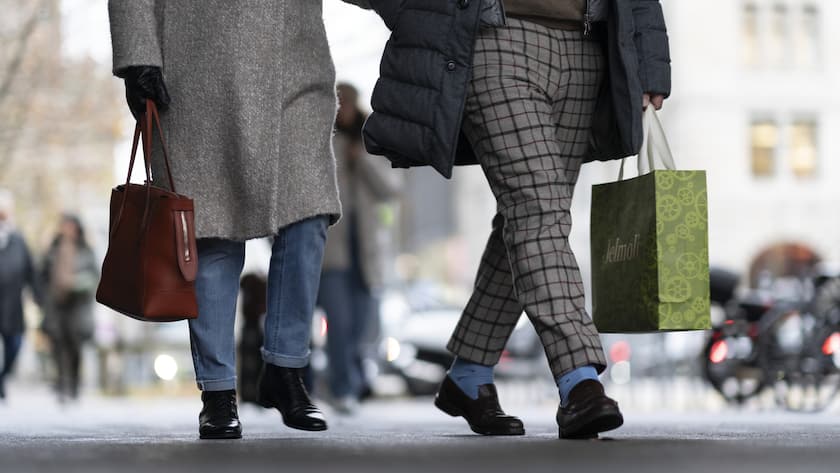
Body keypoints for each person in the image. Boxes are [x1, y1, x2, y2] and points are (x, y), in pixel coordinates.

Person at [355, 0, 670, 438]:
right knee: (539, 209)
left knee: (532, 215)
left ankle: (469, 374)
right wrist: (422, 12)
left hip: (587, 46)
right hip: (494, 38)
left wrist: (651, 66)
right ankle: (579, 377)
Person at [109, 1, 365, 439]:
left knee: (310, 213)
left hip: (297, 64)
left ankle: (286, 369)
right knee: (211, 232)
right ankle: (218, 392)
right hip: (195, 65)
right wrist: (138, 55)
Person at [318, 83, 399, 413]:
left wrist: (362, 159)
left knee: (364, 323)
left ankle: (346, 379)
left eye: (348, 101)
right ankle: (343, 387)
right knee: (339, 321)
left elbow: (390, 190)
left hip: (366, 251)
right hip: (332, 251)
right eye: (338, 102)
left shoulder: (373, 140)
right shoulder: (320, 139)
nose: (343, 108)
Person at [40, 215, 98, 403]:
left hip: (78, 305)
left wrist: (77, 283)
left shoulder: (86, 250)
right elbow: (41, 276)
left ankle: (74, 383)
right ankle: (62, 384)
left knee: (74, 345)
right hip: (56, 305)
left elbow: (94, 276)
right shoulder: (52, 249)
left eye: (70, 227)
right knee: (58, 344)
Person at [0, 190, 41, 401]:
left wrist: (37, 296)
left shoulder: (18, 239)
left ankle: (2, 377)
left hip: (12, 305)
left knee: (14, 343)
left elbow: (30, 271)